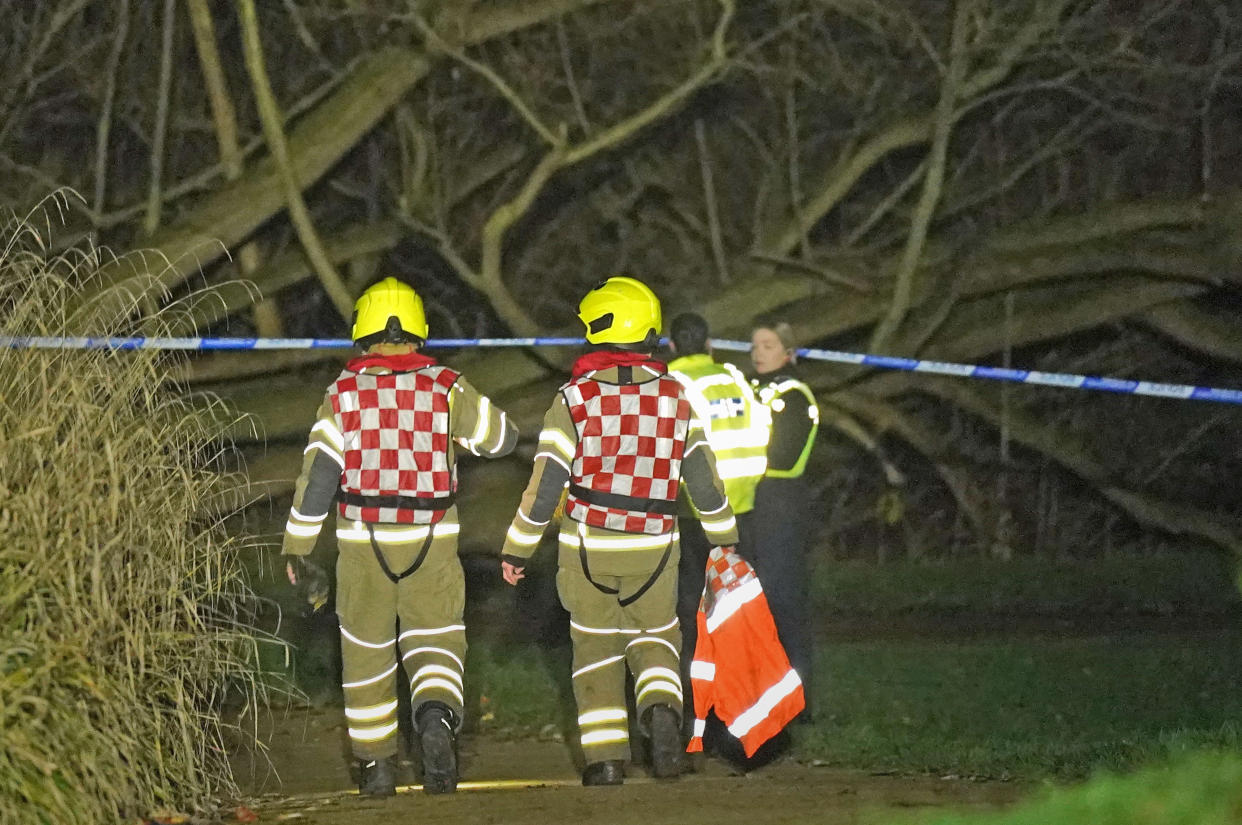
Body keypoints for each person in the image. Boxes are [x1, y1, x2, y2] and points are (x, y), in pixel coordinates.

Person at [282, 277, 518, 797]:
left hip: (363, 546)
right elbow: (504, 439)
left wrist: (298, 544)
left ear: (363, 330)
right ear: (418, 330)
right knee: (435, 641)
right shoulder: (446, 386)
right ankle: (434, 716)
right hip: (431, 541)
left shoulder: (341, 394)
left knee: (366, 654)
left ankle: (376, 767)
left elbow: (320, 475)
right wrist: (458, 435)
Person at [499, 277, 739, 786]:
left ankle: (606, 761)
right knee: (656, 640)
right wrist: (724, 537)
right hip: (656, 547)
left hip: (588, 548)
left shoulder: (575, 400)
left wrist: (517, 548)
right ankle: (660, 711)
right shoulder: (677, 397)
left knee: (595, 650)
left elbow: (545, 487)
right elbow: (703, 478)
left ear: (597, 331)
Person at [665, 312, 768, 730]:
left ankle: (696, 713)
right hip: (742, 513)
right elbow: (763, 432)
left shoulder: (669, 384)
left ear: (672, 346)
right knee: (736, 614)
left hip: (692, 516)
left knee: (692, 617)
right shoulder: (734, 379)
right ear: (709, 344)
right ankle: (741, 713)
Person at [747, 320, 819, 721]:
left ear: (788, 352)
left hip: (781, 503)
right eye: (755, 345)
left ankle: (799, 701)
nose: (759, 352)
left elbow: (783, 455)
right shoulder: (748, 390)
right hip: (750, 504)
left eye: (768, 345)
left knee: (784, 602)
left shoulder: (794, 396)